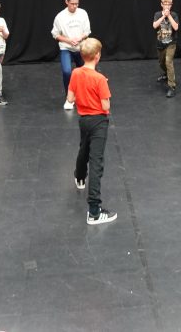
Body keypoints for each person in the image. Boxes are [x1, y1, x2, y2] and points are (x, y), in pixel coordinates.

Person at [68, 38, 118, 225]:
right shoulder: (100, 79)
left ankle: (80, 177)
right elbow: (106, 106)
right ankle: (94, 212)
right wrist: (102, 87)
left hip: (84, 120)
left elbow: (70, 98)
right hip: (99, 122)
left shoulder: (75, 73)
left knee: (84, 149)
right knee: (97, 163)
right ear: (97, 56)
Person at [51, 0, 91, 110]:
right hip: (66, 48)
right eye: (72, 3)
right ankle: (69, 98)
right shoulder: (60, 17)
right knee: (67, 72)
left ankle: (85, 95)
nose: (75, 6)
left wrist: (80, 38)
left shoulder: (83, 13)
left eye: (77, 3)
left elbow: (87, 31)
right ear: (66, 2)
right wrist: (68, 40)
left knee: (85, 72)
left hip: (81, 47)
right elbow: (55, 34)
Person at [152, 0, 180, 98]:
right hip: (160, 43)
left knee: (168, 62)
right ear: (162, 4)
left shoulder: (174, 15)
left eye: (169, 4)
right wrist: (164, 16)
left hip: (171, 43)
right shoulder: (157, 14)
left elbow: (176, 27)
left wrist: (169, 16)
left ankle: (172, 86)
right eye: (165, 4)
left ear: (171, 5)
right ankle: (166, 74)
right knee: (161, 63)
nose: (167, 6)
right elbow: (155, 25)